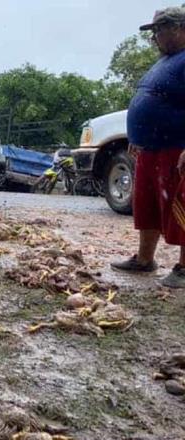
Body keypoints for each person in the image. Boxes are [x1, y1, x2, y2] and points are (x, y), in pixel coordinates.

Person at [111, 6, 185, 288]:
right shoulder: (166, 61)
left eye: (159, 30)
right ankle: (144, 260)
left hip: (176, 149)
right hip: (150, 148)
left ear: (179, 28)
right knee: (147, 206)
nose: (154, 37)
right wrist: (137, 136)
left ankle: (183, 268)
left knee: (180, 208)